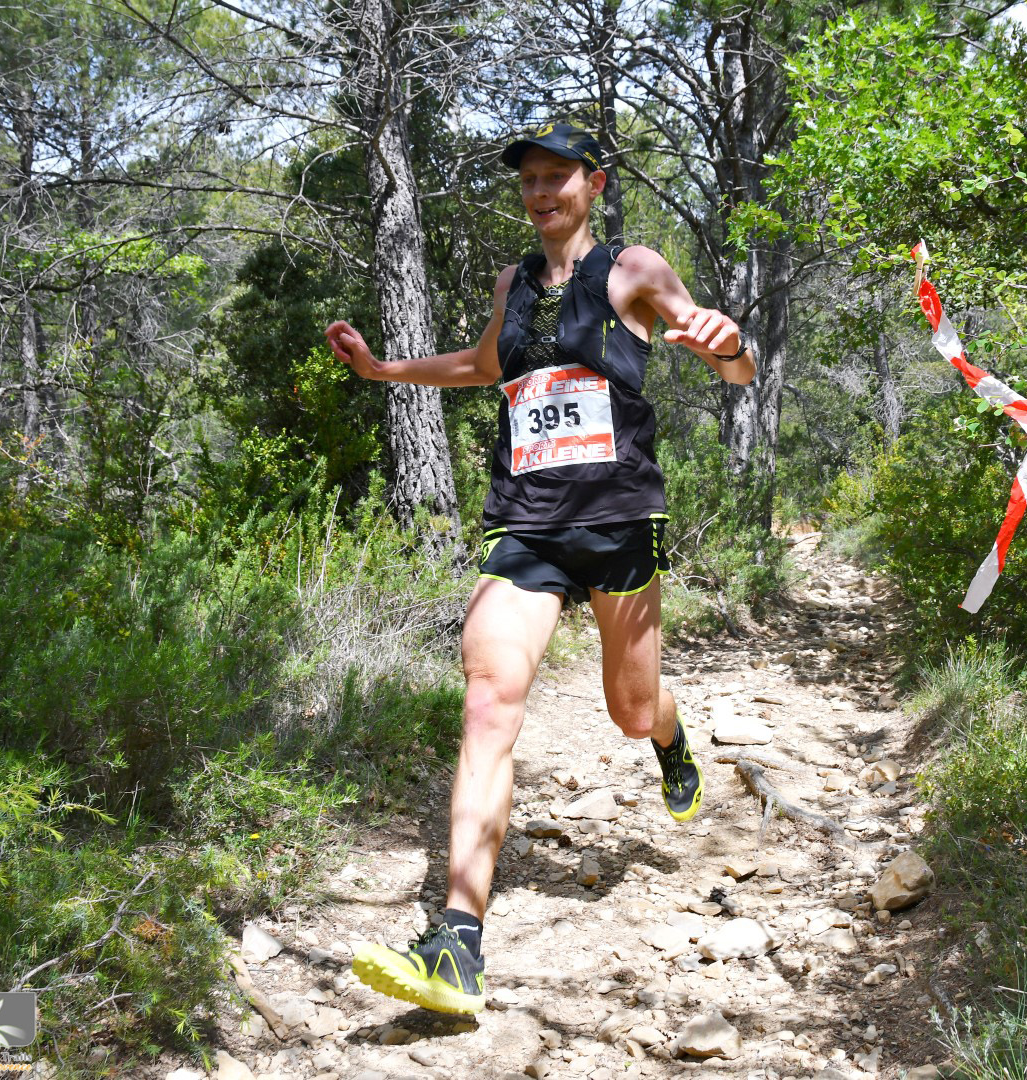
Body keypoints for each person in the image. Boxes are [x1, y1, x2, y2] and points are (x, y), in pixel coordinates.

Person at [323, 121, 755, 1015]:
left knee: (631, 711)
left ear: (593, 185)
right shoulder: (512, 284)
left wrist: (726, 342)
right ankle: (456, 944)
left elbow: (734, 366)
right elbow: (486, 365)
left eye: (559, 176)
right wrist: (382, 371)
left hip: (618, 518)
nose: (541, 191)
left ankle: (671, 740)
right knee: (487, 698)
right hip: (526, 523)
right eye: (529, 180)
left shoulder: (634, 268)